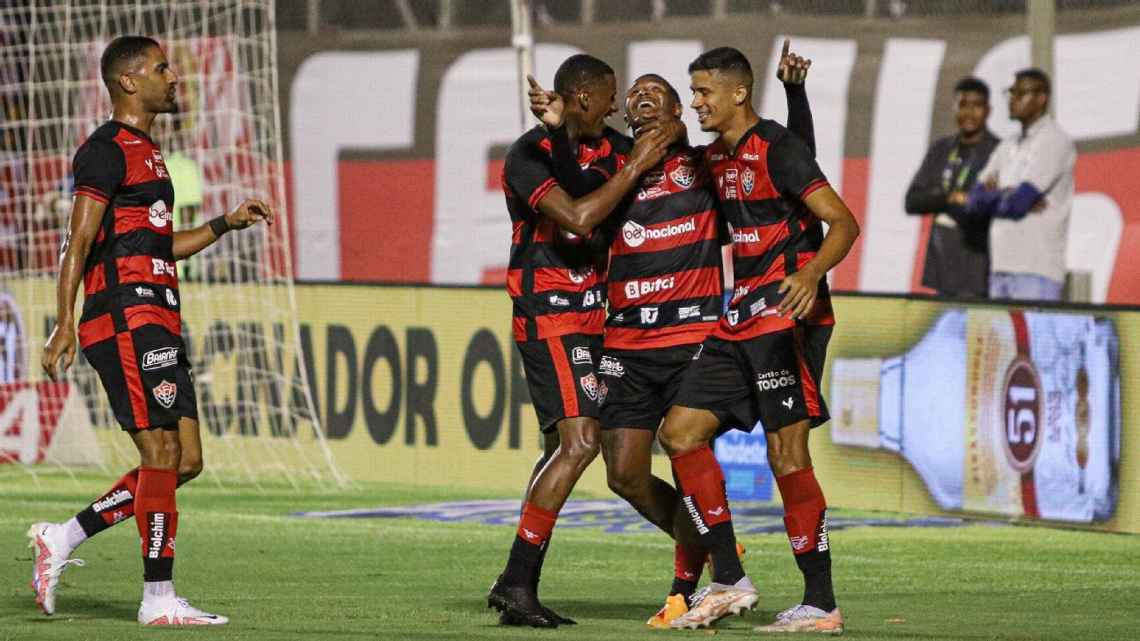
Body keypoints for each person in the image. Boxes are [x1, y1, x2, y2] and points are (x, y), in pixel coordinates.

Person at [530, 40, 818, 630]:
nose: (643, 104)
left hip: (693, 341)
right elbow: (571, 202)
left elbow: (793, 168)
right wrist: (560, 130)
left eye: (657, 98)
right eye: (634, 101)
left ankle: (690, 588)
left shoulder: (706, 166)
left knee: (687, 449)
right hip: (627, 348)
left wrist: (795, 96)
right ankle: (720, 551)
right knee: (624, 474)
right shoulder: (614, 171)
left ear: (678, 114)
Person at [29, 35, 272, 626]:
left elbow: (161, 246)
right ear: (129, 82)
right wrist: (64, 321)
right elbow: (77, 242)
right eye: (162, 68)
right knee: (160, 450)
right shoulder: (106, 149)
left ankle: (62, 537)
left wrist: (223, 223)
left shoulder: (151, 153)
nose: (174, 77)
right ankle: (158, 600)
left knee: (185, 460)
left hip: (158, 312)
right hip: (123, 316)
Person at [659, 47, 859, 633]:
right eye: (692, 93)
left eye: (703, 92)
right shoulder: (717, 157)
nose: (697, 102)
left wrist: (810, 272)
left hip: (785, 319)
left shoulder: (777, 147)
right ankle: (728, 577)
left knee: (786, 454)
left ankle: (821, 603)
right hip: (738, 315)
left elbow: (842, 221)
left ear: (738, 92)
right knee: (680, 433)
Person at [486, 53, 673, 628]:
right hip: (552, 315)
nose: (618, 105)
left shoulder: (613, 147)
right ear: (585, 98)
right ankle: (519, 581)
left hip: (605, 321)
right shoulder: (525, 155)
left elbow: (636, 175)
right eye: (611, 94)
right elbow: (578, 217)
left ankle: (716, 555)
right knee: (578, 444)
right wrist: (634, 165)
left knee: (615, 460)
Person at [965, 68, 1075, 301]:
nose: (1012, 100)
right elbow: (972, 202)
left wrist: (1000, 196)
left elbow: (1017, 204)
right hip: (1001, 266)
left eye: (1019, 93)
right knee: (998, 339)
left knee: (1034, 338)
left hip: (1036, 269)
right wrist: (1005, 195)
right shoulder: (1007, 146)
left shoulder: (1054, 141)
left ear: (1041, 98)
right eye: (1011, 93)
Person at [904, 77, 1000, 298]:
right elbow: (912, 201)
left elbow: (989, 207)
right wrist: (950, 198)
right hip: (943, 266)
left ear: (988, 110)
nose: (969, 113)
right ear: (954, 107)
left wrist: (947, 199)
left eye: (976, 106)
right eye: (963, 105)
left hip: (979, 267)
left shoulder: (998, 151)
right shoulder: (941, 149)